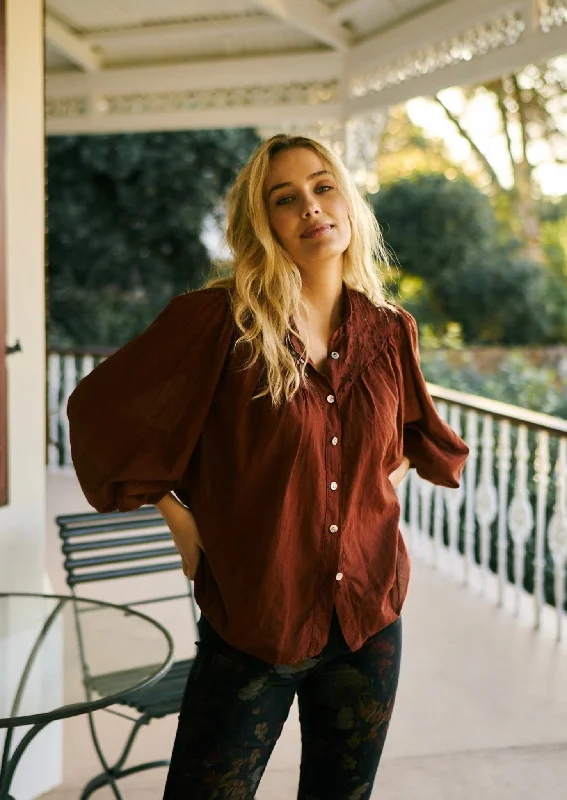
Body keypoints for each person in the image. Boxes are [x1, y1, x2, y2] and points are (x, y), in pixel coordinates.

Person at [67, 133, 469, 799]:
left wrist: (376, 485)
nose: (310, 207)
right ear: (265, 224)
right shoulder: (217, 322)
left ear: (346, 200)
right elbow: (100, 414)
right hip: (256, 620)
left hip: (368, 617)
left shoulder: (389, 329)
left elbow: (410, 440)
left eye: (322, 186)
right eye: (286, 199)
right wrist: (178, 519)